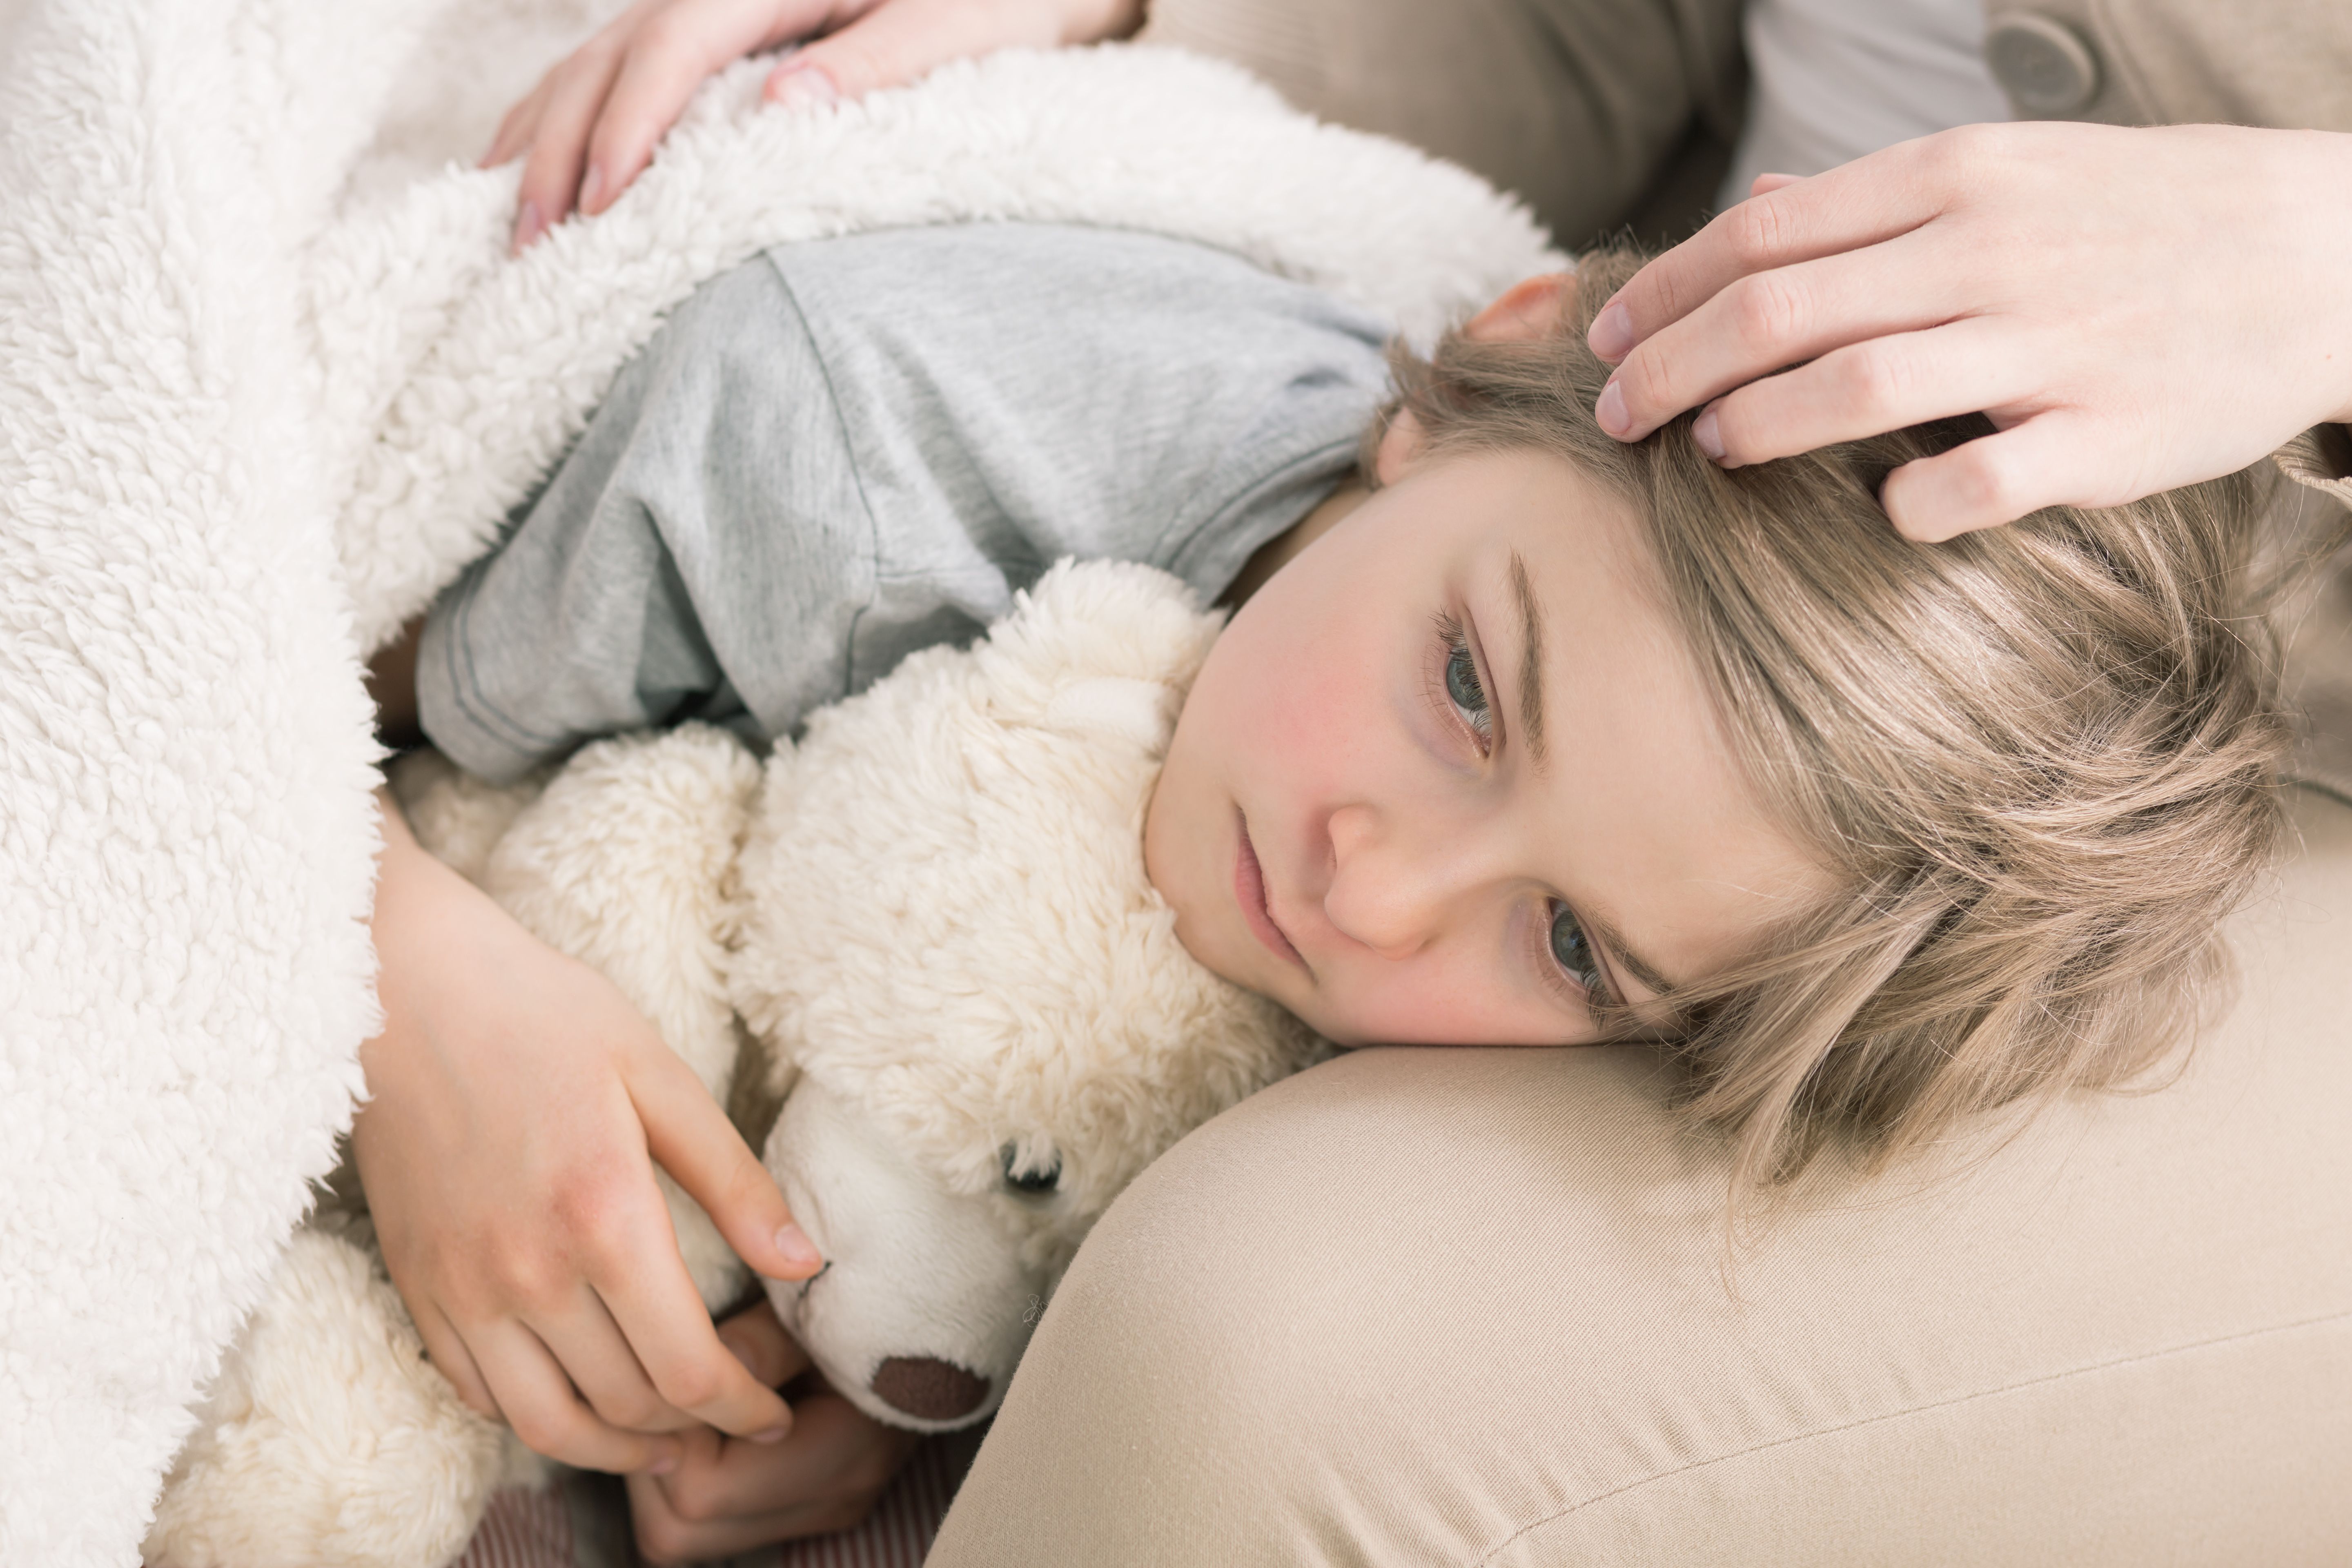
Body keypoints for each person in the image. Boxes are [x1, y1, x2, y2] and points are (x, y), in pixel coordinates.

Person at [360, 217, 2285, 1559]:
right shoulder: (845, 449)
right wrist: (415, 986)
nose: (1379, 896)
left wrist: (848, 1346)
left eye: (1568, 941)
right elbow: (250, 683)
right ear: (1486, 373)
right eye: (1466, 688)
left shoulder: (1486, 929)